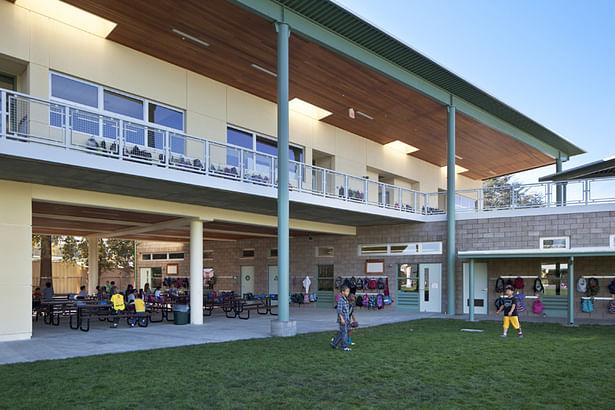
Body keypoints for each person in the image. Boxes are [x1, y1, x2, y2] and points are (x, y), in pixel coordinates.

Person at [330, 285, 352, 351]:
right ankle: (344, 346)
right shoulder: (340, 300)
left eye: (348, 291)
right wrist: (342, 319)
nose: (348, 293)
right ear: (343, 292)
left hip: (346, 318)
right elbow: (339, 311)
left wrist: (348, 319)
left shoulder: (346, 299)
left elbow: (347, 310)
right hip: (342, 319)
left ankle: (334, 344)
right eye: (347, 291)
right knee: (344, 333)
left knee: (341, 332)